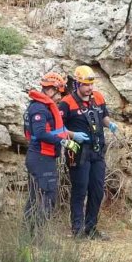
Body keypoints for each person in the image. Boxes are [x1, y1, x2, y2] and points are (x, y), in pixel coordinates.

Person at [58, 65, 119, 240]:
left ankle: (91, 228)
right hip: (78, 152)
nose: (89, 88)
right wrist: (73, 135)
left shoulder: (98, 97)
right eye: (86, 84)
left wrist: (109, 124)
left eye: (91, 84)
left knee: (97, 190)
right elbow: (58, 127)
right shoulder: (67, 102)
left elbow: (103, 115)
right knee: (80, 190)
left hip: (97, 151)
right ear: (77, 84)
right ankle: (77, 229)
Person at [23, 71, 80, 234]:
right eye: (58, 93)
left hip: (41, 158)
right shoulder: (39, 109)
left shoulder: (41, 106)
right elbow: (40, 133)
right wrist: (64, 142)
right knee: (46, 197)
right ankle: (38, 237)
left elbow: (53, 130)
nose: (60, 97)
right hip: (41, 158)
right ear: (49, 90)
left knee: (36, 197)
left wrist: (69, 136)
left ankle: (28, 235)